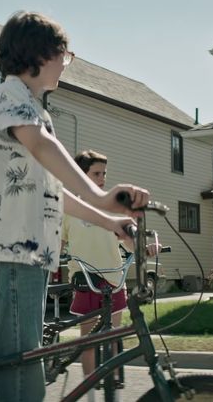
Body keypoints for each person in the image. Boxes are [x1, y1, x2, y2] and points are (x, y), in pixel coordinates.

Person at [0, 11, 149, 401]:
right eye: (66, 53)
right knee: (22, 367)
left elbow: (52, 196)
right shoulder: (10, 95)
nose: (67, 62)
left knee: (21, 363)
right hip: (9, 248)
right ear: (43, 53)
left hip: (25, 249)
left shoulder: (33, 109)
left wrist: (108, 219)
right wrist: (100, 195)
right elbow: (43, 146)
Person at [63, 150, 160, 402]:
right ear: (81, 175)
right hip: (85, 282)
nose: (102, 178)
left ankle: (113, 394)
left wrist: (144, 249)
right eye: (96, 173)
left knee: (114, 338)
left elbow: (129, 243)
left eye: (104, 173)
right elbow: (59, 239)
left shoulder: (115, 210)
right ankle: (90, 395)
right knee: (88, 340)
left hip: (113, 280)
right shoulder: (69, 208)